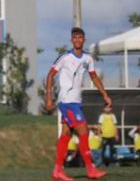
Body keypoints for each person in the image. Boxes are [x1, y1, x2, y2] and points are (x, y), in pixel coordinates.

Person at [45, 27, 110, 181]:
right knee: (83, 130)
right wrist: (48, 97)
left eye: (80, 37)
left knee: (66, 134)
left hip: (76, 101)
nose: (77, 40)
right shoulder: (65, 57)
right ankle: (90, 169)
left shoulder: (88, 58)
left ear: (84, 39)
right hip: (67, 101)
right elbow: (50, 75)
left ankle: (57, 171)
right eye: (75, 37)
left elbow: (94, 77)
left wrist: (105, 94)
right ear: (71, 40)